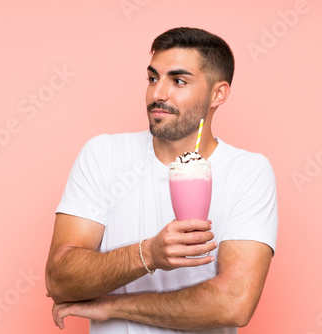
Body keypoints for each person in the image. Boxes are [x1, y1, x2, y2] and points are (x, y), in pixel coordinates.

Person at [45, 27, 278, 333]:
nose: (158, 94)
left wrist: (111, 306)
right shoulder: (105, 154)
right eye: (153, 78)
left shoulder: (248, 172)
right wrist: (149, 253)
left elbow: (233, 303)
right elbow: (60, 280)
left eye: (178, 81)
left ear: (217, 94)